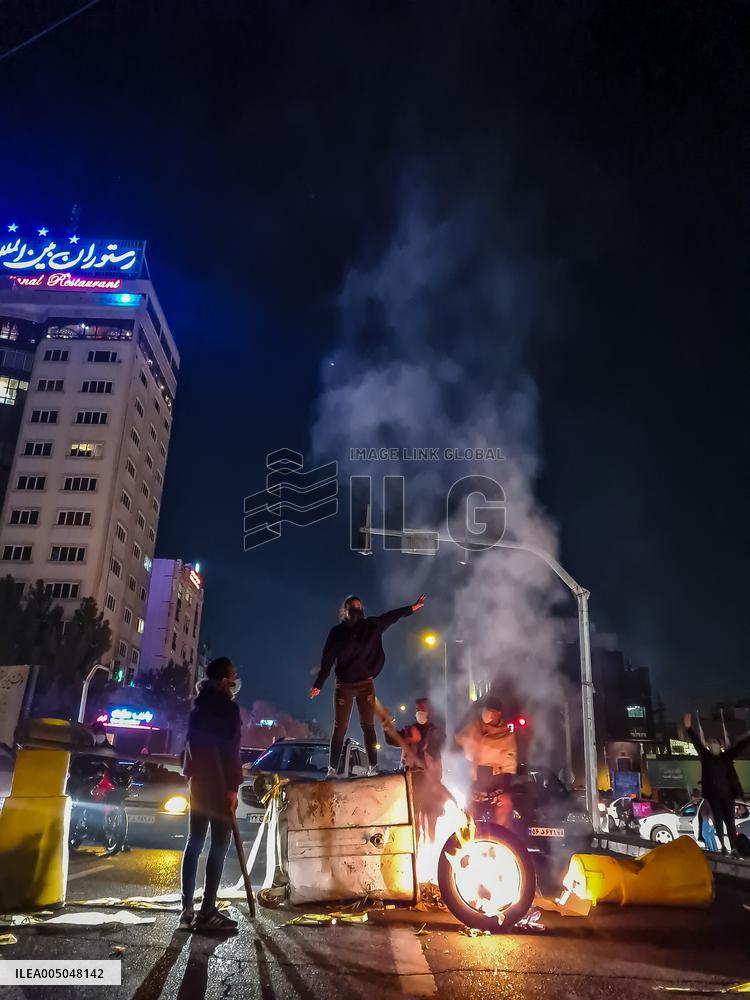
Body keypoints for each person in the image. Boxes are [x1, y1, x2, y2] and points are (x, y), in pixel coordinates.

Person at [310, 593, 426, 775]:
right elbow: (328, 659)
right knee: (340, 728)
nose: (356, 611)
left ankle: (373, 767)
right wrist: (319, 683)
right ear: (345, 611)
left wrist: (412, 608)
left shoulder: (371, 625)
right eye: (352, 608)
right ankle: (332, 769)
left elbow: (391, 616)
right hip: (344, 686)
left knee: (368, 726)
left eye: (358, 607)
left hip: (365, 684)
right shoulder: (338, 633)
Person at [180, 657, 243, 932]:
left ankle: (186, 911)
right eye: (233, 675)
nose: (235, 681)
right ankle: (207, 910)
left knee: (194, 842)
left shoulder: (197, 705)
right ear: (224, 680)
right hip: (219, 786)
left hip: (198, 784)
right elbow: (232, 751)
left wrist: (190, 776)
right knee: (218, 845)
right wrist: (232, 787)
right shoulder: (228, 709)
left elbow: (189, 746)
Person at [683, 712, 750, 857]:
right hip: (714, 797)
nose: (713, 744)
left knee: (730, 823)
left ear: (720, 745)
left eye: (715, 742)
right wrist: (689, 729)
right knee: (718, 821)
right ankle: (723, 847)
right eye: (711, 742)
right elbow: (697, 744)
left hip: (727, 795)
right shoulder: (706, 757)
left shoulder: (726, 757)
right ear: (709, 746)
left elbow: (740, 746)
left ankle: (734, 848)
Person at [455, 695, 517, 827]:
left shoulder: (506, 734)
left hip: (496, 786)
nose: (486, 713)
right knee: (468, 822)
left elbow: (509, 765)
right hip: (475, 786)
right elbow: (457, 742)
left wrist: (506, 791)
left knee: (502, 819)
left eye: (490, 710)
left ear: (498, 713)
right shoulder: (474, 727)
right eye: (485, 709)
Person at [385, 697, 445, 778]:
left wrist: (417, 741)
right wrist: (387, 728)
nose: (419, 712)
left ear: (429, 710)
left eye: (422, 709)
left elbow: (435, 750)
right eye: (417, 709)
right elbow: (392, 740)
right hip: (409, 776)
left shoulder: (436, 732)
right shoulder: (409, 730)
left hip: (429, 779)